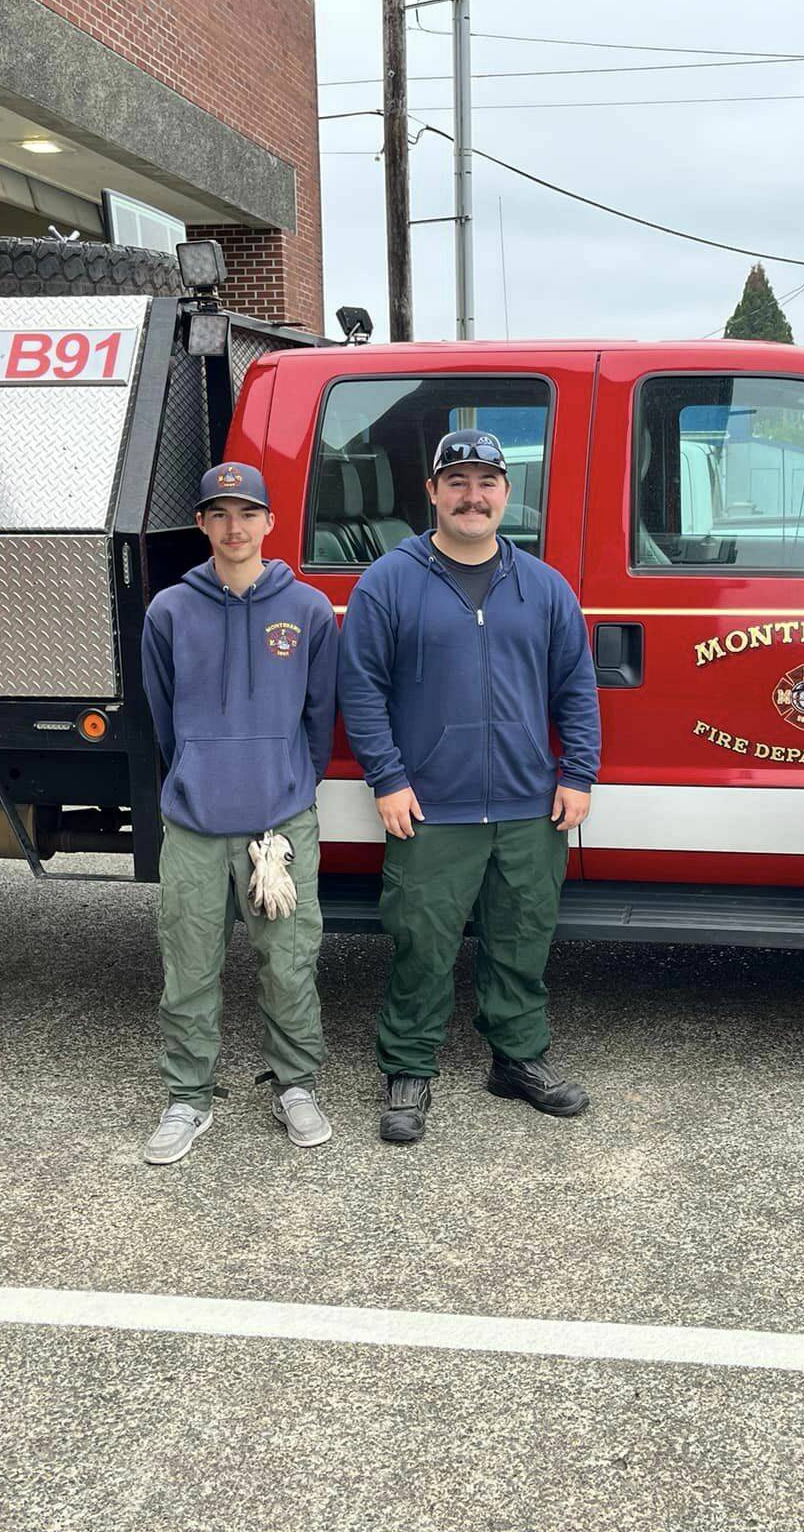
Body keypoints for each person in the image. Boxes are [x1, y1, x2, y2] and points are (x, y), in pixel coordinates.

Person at [337, 428, 602, 1144]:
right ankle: (408, 1069)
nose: (472, 496)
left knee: (522, 938)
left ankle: (517, 1060)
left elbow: (576, 687)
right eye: (456, 482)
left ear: (507, 495)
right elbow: (359, 688)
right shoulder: (388, 582)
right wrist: (387, 779)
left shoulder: (543, 586)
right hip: (431, 805)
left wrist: (578, 772)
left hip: (528, 803)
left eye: (486, 482)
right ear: (432, 493)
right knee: (421, 942)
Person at [138, 461, 338, 1164]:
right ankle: (188, 1097)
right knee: (188, 965)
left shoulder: (308, 609)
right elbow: (163, 719)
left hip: (277, 825)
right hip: (194, 823)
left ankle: (297, 1086)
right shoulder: (169, 610)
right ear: (201, 524)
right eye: (219, 514)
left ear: (270, 523)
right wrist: (199, 771)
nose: (234, 527)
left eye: (248, 513)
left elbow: (320, 718)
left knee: (288, 961)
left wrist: (286, 788)